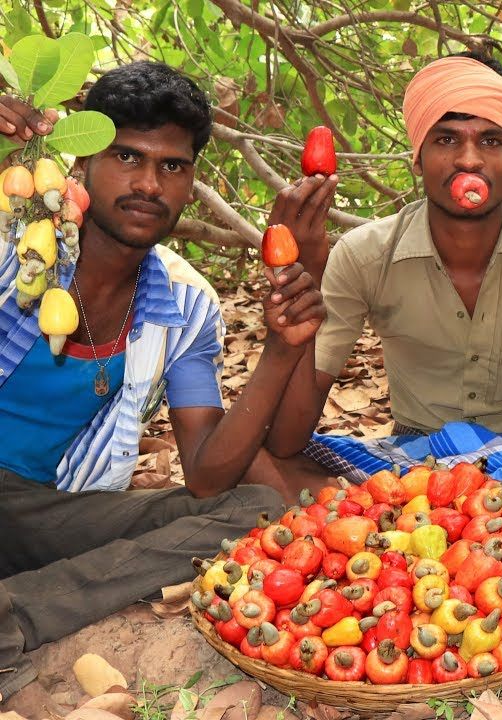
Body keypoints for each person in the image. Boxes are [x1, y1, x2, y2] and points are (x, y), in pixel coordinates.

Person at [0, 62, 325, 702]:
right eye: (127, 156)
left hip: (40, 511)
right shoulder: (16, 242)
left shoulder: (188, 305)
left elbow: (206, 472)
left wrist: (282, 352)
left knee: (254, 510)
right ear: (82, 163)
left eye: (172, 166)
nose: (149, 183)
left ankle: (13, 612)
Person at [262, 53, 502, 527]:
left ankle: (426, 524)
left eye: (491, 140)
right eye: (446, 138)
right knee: (260, 463)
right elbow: (286, 440)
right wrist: (307, 268)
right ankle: (486, 523)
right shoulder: (364, 255)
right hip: (413, 460)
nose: (469, 159)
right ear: (418, 156)